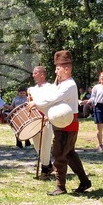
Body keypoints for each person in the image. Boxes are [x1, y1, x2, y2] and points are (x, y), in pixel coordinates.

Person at [32, 50, 92, 196]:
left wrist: (35, 102)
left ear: (66, 69)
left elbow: (50, 99)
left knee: (59, 154)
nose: (55, 71)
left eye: (58, 68)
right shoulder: (61, 84)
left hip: (67, 125)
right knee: (69, 153)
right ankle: (84, 181)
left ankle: (60, 186)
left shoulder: (68, 85)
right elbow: (50, 96)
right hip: (63, 123)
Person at [28, 65, 55, 179]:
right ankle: (48, 164)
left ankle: (44, 170)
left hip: (47, 118)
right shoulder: (32, 89)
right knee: (36, 144)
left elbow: (51, 101)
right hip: (35, 120)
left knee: (46, 144)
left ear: (42, 74)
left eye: (35, 73)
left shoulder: (51, 87)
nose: (33, 75)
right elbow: (29, 104)